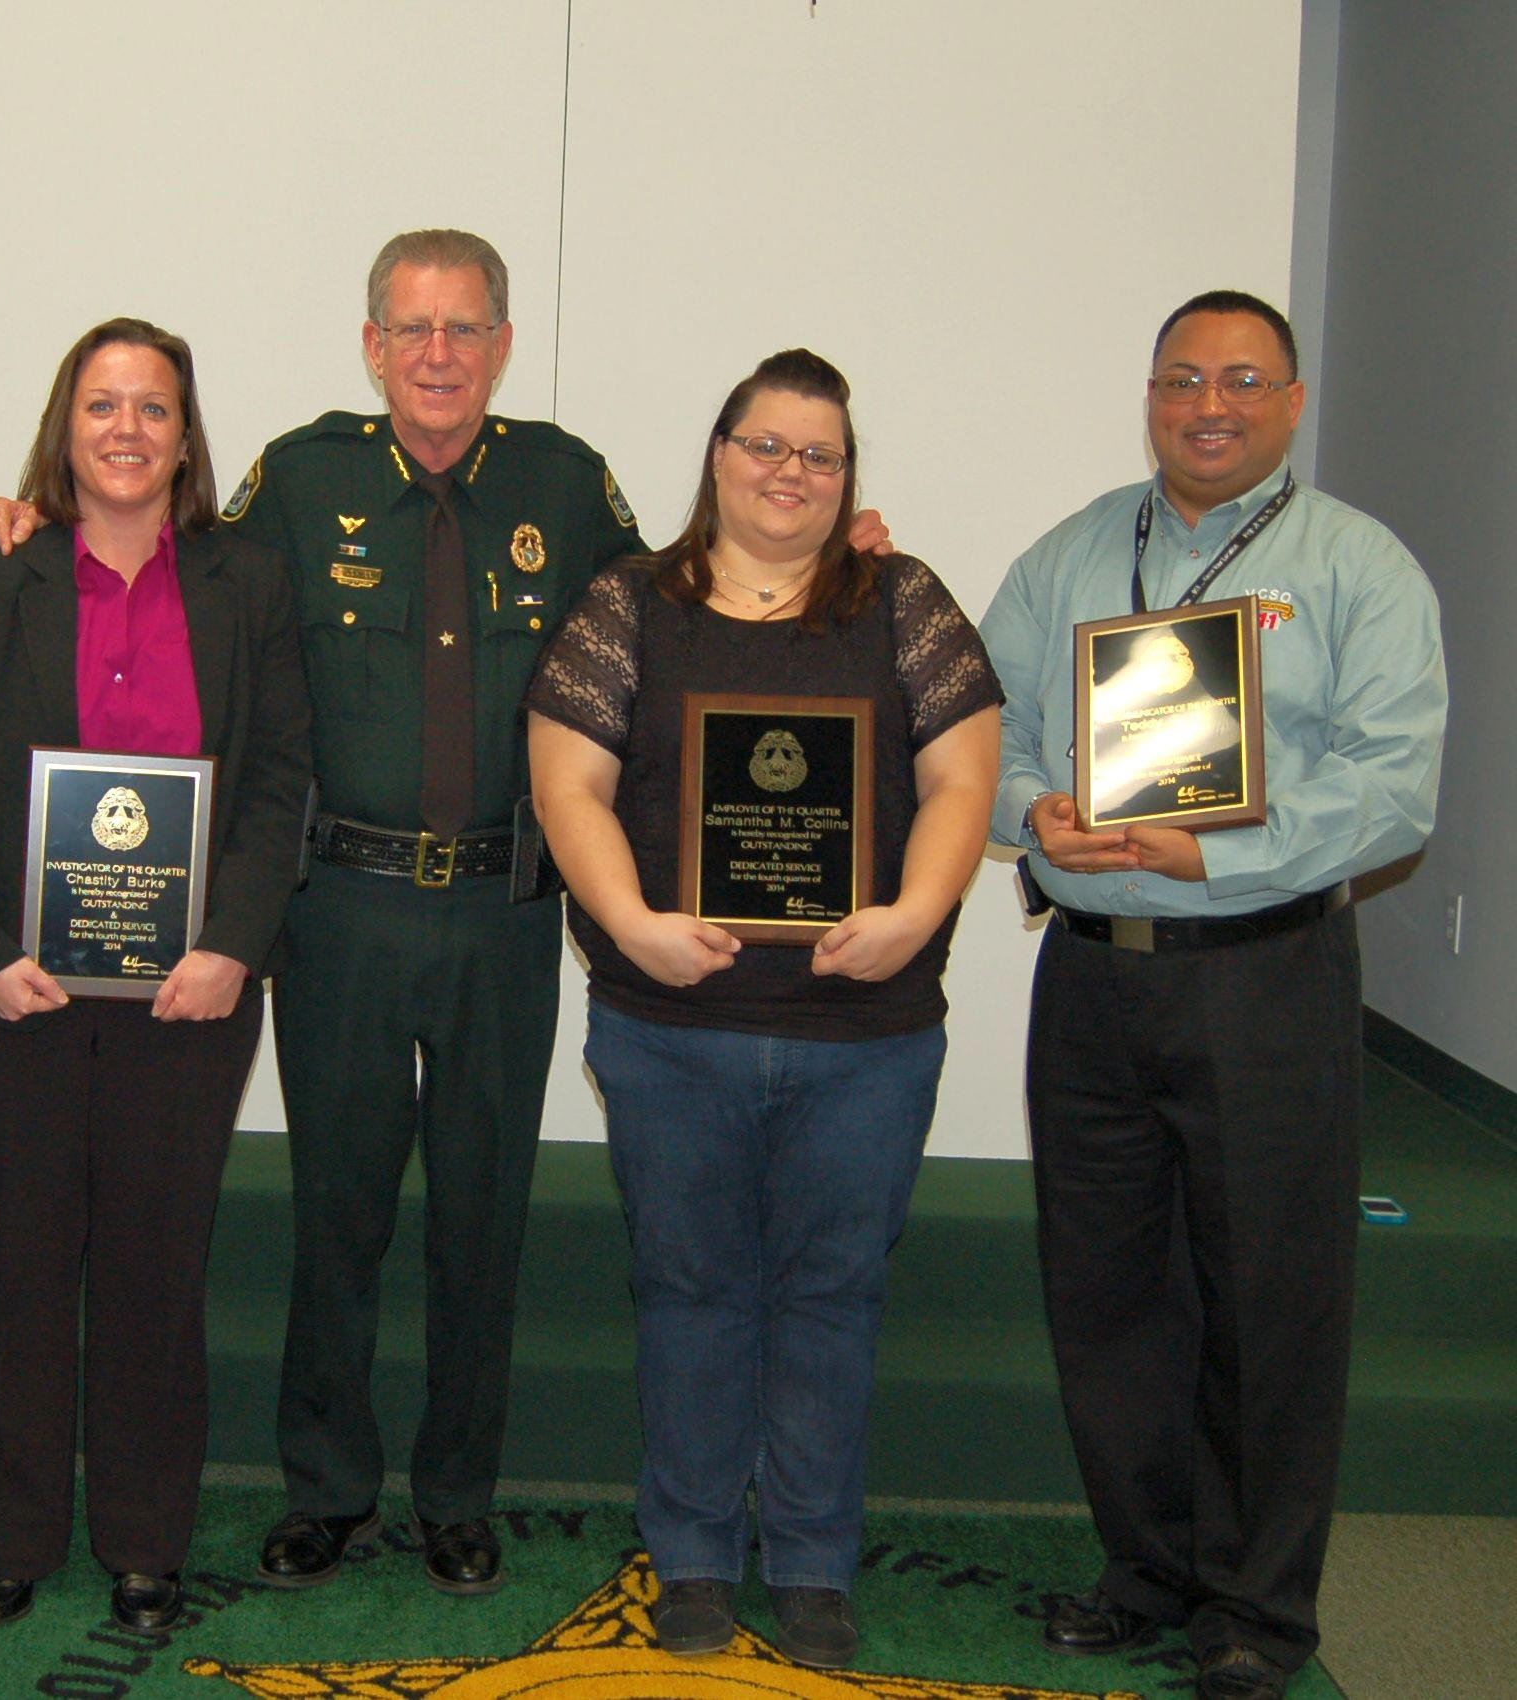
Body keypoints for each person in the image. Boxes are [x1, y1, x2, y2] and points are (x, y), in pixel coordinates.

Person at [0, 233, 893, 1596]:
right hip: (338, 909)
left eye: (464, 329)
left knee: (481, 1215)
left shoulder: (564, 486)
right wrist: (28, 518)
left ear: (503, 345)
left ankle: (458, 1491)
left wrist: (831, 547)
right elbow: (169, 550)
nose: (438, 354)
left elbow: (683, 607)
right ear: (371, 346)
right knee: (334, 1212)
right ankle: (327, 1486)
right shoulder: (303, 477)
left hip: (502, 917)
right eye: (412, 329)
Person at [979, 291, 1446, 1700]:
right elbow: (977, 730)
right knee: (1107, 1291)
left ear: (1291, 401)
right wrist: (1032, 813)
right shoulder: (1072, 555)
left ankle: (1255, 1606)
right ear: (1150, 394)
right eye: (1183, 378)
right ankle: (1146, 1572)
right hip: (1095, 984)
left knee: (1271, 1299)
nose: (1210, 404)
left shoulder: (1359, 567)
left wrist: (1219, 843)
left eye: (1244, 380)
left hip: (1268, 981)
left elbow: (1391, 787)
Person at [525, 349, 1000, 1669]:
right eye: (767, 445)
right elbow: (568, 784)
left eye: (820, 453)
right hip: (672, 1028)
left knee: (833, 1298)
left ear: (849, 475)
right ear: (718, 454)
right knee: (690, 1294)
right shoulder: (632, 602)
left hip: (868, 1039)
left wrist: (912, 916)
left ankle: (808, 1557)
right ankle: (689, 1552)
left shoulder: (902, 600)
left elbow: (963, 780)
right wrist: (629, 924)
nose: (791, 471)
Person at [0, 317, 311, 1633]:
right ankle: (10, 1541)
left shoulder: (248, 585)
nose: (128, 429)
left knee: (153, 1267)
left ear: (187, 435)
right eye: (102, 405)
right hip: (10, 996)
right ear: (63, 426)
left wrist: (231, 947)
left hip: (188, 999)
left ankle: (145, 1540)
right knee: (19, 1264)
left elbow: (279, 786)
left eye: (153, 407)